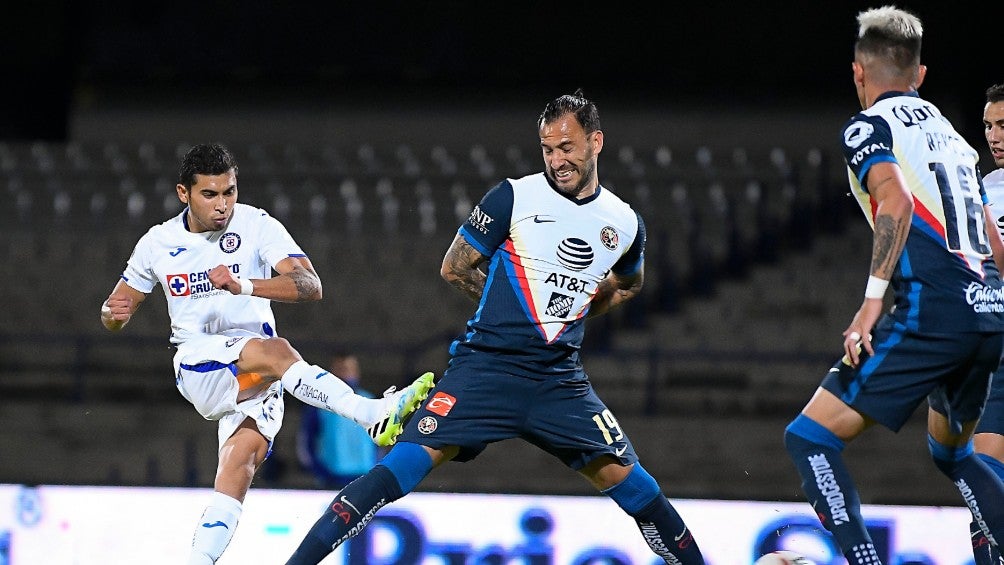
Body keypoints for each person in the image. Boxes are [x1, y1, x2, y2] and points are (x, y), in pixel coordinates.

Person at [285, 91, 706, 564]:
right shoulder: (514, 196)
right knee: (397, 470)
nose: (557, 160)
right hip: (486, 369)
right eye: (548, 150)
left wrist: (571, 312)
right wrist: (517, 314)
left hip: (558, 382)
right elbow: (456, 268)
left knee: (637, 488)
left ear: (596, 142)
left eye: (567, 147)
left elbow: (628, 285)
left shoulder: (625, 223)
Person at [99, 143, 435, 565]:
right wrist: (113, 316)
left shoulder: (257, 225)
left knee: (239, 468)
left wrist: (244, 285)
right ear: (183, 193)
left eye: (230, 192)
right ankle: (371, 414)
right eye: (210, 194)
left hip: (257, 378)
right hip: (200, 364)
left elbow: (310, 286)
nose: (223, 205)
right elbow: (117, 310)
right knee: (278, 351)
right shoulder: (158, 243)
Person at [782, 8, 1004, 565]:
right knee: (952, 455)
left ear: (859, 72)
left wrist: (870, 304)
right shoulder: (955, 138)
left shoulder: (868, 128)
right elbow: (990, 233)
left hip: (934, 313)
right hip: (987, 315)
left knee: (809, 438)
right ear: (920, 74)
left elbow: (897, 202)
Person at [972, 82, 1004, 565]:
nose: (994, 136)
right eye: (988, 126)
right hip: (996, 355)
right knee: (984, 486)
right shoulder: (980, 189)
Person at [297, 352, 385, 488]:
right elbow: (307, 440)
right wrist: (321, 472)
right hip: (332, 478)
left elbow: (381, 439)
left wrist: (375, 468)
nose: (344, 375)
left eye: (348, 370)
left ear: (356, 372)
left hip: (365, 475)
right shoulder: (319, 404)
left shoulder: (370, 401)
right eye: (340, 370)